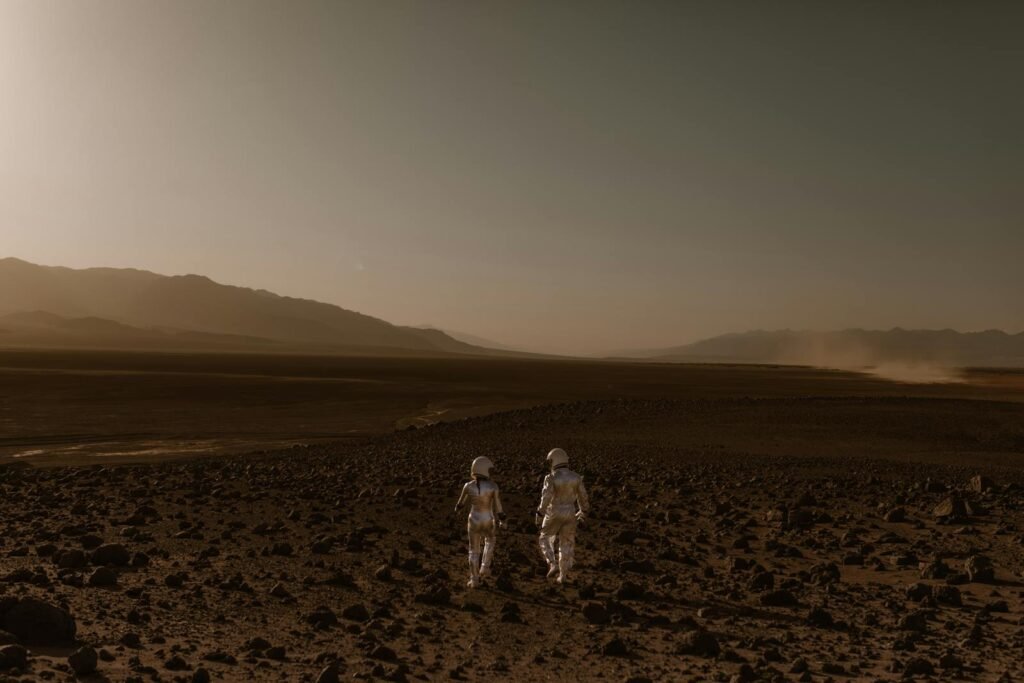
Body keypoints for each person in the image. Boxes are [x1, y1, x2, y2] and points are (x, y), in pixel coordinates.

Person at [535, 447, 589, 585]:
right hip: (570, 512)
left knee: (545, 537)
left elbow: (546, 497)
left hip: (554, 511)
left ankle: (552, 563)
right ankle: (563, 576)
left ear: (554, 461)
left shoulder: (551, 477)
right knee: (566, 543)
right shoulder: (576, 477)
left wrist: (540, 513)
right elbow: (583, 497)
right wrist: (583, 511)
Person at [454, 456, 506, 588]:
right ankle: (485, 567)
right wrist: (503, 520)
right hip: (488, 519)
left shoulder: (468, 486)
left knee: (473, 550)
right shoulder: (493, 486)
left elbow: (459, 504)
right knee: (490, 540)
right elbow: (498, 507)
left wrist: (458, 511)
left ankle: (474, 580)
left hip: (473, 519)